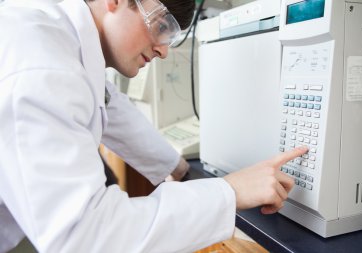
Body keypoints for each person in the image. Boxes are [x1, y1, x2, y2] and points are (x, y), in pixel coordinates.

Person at [0, 0, 308, 252]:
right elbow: (86, 238)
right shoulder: (40, 66)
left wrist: (177, 167)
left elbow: (110, 103)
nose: (163, 50)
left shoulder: (64, 40)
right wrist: (230, 191)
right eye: (161, 26)